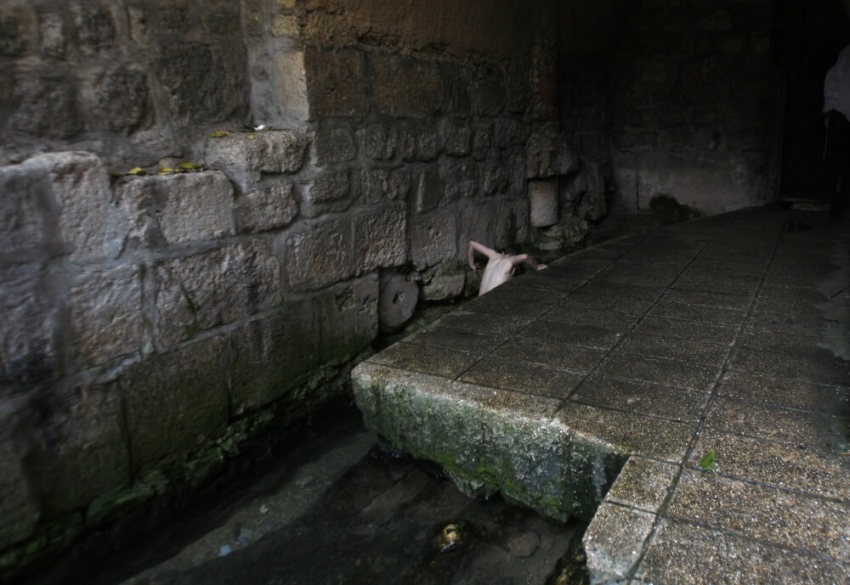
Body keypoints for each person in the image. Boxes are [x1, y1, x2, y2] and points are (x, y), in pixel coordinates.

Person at [823, 44, 850, 216]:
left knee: (838, 161)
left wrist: (827, 111)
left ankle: (836, 199)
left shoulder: (837, 69)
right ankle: (838, 200)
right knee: (842, 161)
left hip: (839, 117)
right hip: (841, 118)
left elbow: (830, 92)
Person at [468, 241, 547, 296]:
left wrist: (471, 263)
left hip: (479, 299)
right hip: (490, 302)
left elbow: (472, 243)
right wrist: (537, 267)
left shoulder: (493, 255)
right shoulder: (509, 261)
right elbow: (524, 256)